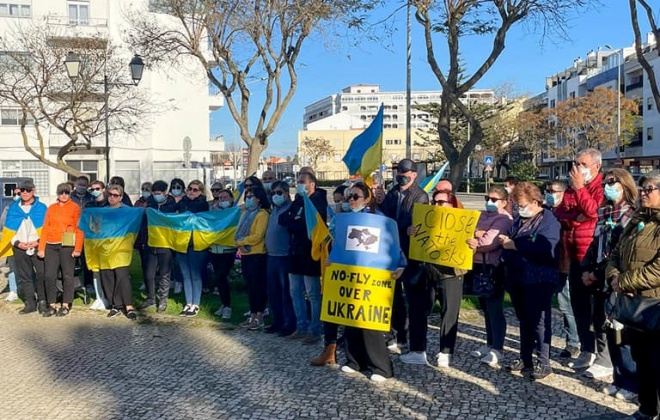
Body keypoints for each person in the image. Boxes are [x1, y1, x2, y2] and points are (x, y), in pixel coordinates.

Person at [605, 172, 660, 420]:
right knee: (643, 361)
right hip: (634, 303)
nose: (644, 193)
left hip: (655, 303)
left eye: (650, 188)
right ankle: (646, 410)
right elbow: (616, 252)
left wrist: (625, 280)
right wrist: (614, 277)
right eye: (643, 188)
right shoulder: (638, 219)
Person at [339, 183, 405, 382]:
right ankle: (355, 360)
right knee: (351, 318)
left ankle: (381, 367)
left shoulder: (379, 219)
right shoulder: (345, 220)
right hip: (352, 274)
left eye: (355, 196)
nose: (351, 200)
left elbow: (393, 243)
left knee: (370, 322)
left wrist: (400, 264)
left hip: (373, 276)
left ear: (367, 199)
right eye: (349, 196)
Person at [581, 169, 638, 400]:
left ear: (625, 185)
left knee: (621, 334)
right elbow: (595, 243)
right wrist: (587, 268)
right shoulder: (604, 211)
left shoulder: (633, 215)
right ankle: (618, 378)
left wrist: (598, 272)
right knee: (605, 329)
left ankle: (631, 383)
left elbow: (620, 252)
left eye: (613, 182)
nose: (608, 186)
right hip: (599, 279)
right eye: (606, 182)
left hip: (617, 278)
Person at [399, 189, 467, 368]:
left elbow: (470, 244)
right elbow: (418, 237)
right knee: (418, 309)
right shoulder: (426, 217)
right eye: (435, 201)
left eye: (442, 202)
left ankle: (445, 351)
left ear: (451, 203)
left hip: (451, 272)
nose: (437, 205)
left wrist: (472, 243)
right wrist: (410, 231)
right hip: (427, 269)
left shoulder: (462, 220)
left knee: (449, 312)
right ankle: (417, 350)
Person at [500, 182, 560, 380]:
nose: (519, 208)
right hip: (517, 275)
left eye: (522, 204)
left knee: (540, 321)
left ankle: (543, 361)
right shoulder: (519, 220)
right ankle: (525, 357)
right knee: (523, 319)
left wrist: (515, 245)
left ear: (535, 202)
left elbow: (545, 247)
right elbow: (513, 238)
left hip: (539, 278)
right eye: (517, 204)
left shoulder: (548, 220)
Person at [379, 158, 429, 352]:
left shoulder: (420, 196)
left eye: (405, 173)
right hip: (392, 250)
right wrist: (381, 202)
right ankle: (398, 335)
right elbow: (384, 216)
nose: (401, 176)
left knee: (412, 297)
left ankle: (415, 342)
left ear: (414, 175)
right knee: (394, 298)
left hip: (410, 254)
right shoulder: (392, 193)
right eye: (399, 173)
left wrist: (395, 226)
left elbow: (408, 220)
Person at [562, 148, 605, 372]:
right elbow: (561, 212)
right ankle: (586, 349)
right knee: (578, 305)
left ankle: (602, 354)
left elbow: (594, 211)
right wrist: (575, 220)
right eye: (576, 163)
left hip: (593, 254)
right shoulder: (572, 188)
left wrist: (580, 189)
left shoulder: (601, 187)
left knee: (597, 308)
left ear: (595, 166)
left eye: (582, 164)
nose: (577, 168)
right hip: (574, 253)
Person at [279, 170, 327, 344]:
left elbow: (306, 225)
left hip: (310, 254)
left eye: (302, 181)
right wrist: (295, 219)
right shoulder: (298, 199)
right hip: (295, 253)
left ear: (312, 184)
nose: (298, 184)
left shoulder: (317, 200)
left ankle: (315, 329)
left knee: (312, 293)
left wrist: (296, 220)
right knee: (295, 291)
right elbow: (283, 220)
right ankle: (301, 326)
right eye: (298, 181)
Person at [466, 186, 513, 367]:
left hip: (493, 267)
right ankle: (489, 343)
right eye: (487, 198)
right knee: (484, 307)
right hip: (477, 264)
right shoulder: (481, 214)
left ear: (503, 202)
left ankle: (498, 348)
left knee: (494, 308)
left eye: (494, 199)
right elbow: (468, 230)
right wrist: (478, 233)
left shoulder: (504, 219)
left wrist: (479, 235)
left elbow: (488, 242)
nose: (489, 202)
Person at [545, 180, 581, 359]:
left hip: (564, 265)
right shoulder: (546, 211)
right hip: (548, 265)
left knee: (566, 305)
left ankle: (574, 342)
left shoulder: (568, 212)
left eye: (554, 191)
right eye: (548, 190)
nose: (550, 193)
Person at [37, 183, 84, 317]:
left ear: (70, 194)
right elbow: (45, 227)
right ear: (57, 194)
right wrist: (41, 247)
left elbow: (79, 229)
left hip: (67, 244)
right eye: (61, 193)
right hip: (51, 245)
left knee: (67, 275)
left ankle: (66, 304)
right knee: (49, 275)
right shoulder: (51, 208)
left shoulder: (75, 207)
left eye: (66, 193)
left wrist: (78, 248)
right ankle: (51, 304)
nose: (63, 195)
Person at [0, 180, 47, 314]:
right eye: (23, 190)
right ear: (19, 192)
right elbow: (8, 229)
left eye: (28, 190)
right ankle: (30, 302)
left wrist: (38, 241)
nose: (25, 193)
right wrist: (17, 243)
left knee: (41, 274)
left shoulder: (42, 208)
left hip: (37, 245)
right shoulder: (13, 208)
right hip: (19, 247)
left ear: (33, 191)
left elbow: (47, 227)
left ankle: (42, 301)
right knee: (25, 276)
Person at [100, 184, 137, 320]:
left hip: (121, 248)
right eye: (110, 195)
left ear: (121, 197)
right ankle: (115, 305)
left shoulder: (128, 211)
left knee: (122, 276)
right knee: (108, 276)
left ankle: (128, 306)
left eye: (115, 195)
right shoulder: (102, 211)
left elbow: (134, 226)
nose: (112, 197)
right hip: (106, 248)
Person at [236, 186, 270, 330]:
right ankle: (252, 314)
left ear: (259, 198)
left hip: (257, 254)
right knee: (250, 287)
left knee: (258, 287)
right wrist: (239, 243)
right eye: (247, 196)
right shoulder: (245, 213)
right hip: (245, 254)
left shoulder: (262, 214)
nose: (249, 199)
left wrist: (242, 242)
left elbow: (257, 236)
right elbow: (238, 231)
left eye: (252, 197)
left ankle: (260, 316)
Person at [265, 181, 295, 335]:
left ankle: (288, 324)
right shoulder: (273, 210)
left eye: (279, 193)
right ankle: (276, 321)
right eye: (273, 193)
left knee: (286, 293)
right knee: (273, 292)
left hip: (284, 256)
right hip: (271, 256)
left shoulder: (291, 208)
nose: (275, 196)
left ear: (286, 193)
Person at [176, 180, 210, 317]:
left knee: (195, 274)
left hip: (196, 243)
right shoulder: (182, 202)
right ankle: (188, 303)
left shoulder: (203, 204)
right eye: (190, 189)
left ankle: (196, 303)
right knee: (185, 275)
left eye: (195, 190)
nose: (191, 191)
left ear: (201, 191)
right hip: (182, 243)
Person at [144, 180, 178, 312]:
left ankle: (163, 300)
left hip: (165, 243)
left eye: (159, 193)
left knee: (164, 273)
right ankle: (150, 297)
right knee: (149, 273)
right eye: (154, 193)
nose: (156, 195)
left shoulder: (172, 205)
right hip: (151, 243)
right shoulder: (151, 203)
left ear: (165, 193)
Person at [209, 187, 237, 319]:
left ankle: (228, 306)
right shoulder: (214, 212)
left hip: (228, 250)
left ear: (231, 199)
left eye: (225, 197)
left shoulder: (235, 212)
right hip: (215, 249)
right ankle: (223, 303)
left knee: (221, 276)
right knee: (218, 278)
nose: (223, 200)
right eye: (220, 198)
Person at [1, 187, 20, 303]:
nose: (17, 195)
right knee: (12, 268)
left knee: (29, 268)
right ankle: (14, 291)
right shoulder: (8, 208)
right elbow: (2, 222)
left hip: (27, 242)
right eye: (16, 194)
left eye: (19, 193)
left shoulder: (34, 208)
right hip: (12, 241)